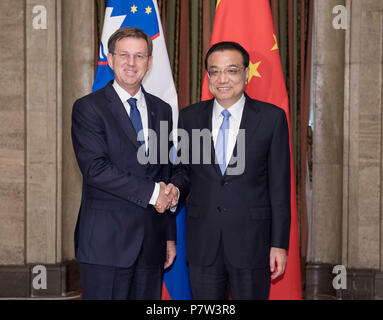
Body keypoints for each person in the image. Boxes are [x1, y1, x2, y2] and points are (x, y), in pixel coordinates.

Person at [166, 41, 291, 299]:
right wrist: (174, 189)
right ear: (208, 76)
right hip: (204, 243)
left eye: (231, 70)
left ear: (246, 74)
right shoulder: (190, 118)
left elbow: (280, 187)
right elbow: (184, 170)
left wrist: (279, 244)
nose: (222, 79)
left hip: (253, 243)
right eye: (214, 71)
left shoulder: (271, 118)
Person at [71, 27, 176, 300]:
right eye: (124, 55)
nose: (131, 63)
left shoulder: (162, 110)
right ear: (111, 58)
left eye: (139, 56)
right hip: (106, 245)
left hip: (151, 245)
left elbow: (164, 171)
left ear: (150, 62)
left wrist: (168, 236)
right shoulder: (89, 108)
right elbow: (96, 169)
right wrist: (155, 194)